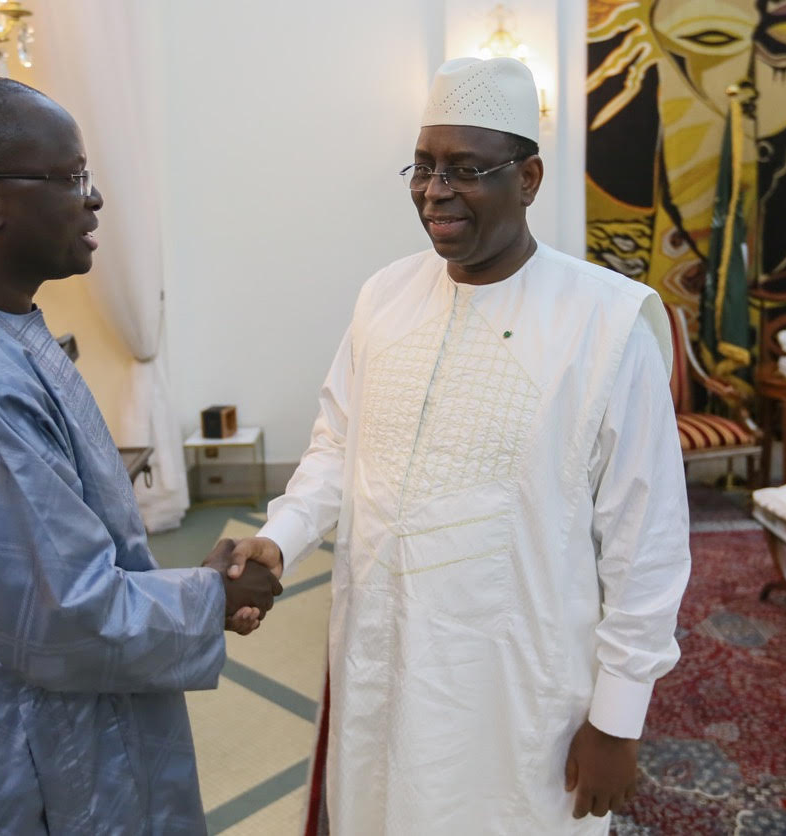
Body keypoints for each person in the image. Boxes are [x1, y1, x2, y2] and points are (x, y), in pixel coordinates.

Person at [229, 57, 691, 833]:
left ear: (531, 177)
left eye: (466, 170)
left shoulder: (606, 324)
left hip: (518, 685)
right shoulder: (385, 296)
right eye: (424, 166)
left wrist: (617, 717)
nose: (434, 192)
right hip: (380, 657)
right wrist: (281, 539)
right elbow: (338, 447)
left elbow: (647, 546)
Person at [0, 77, 280, 835]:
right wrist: (213, 596)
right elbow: (64, 615)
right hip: (17, 762)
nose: (95, 201)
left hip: (42, 723)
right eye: (72, 178)